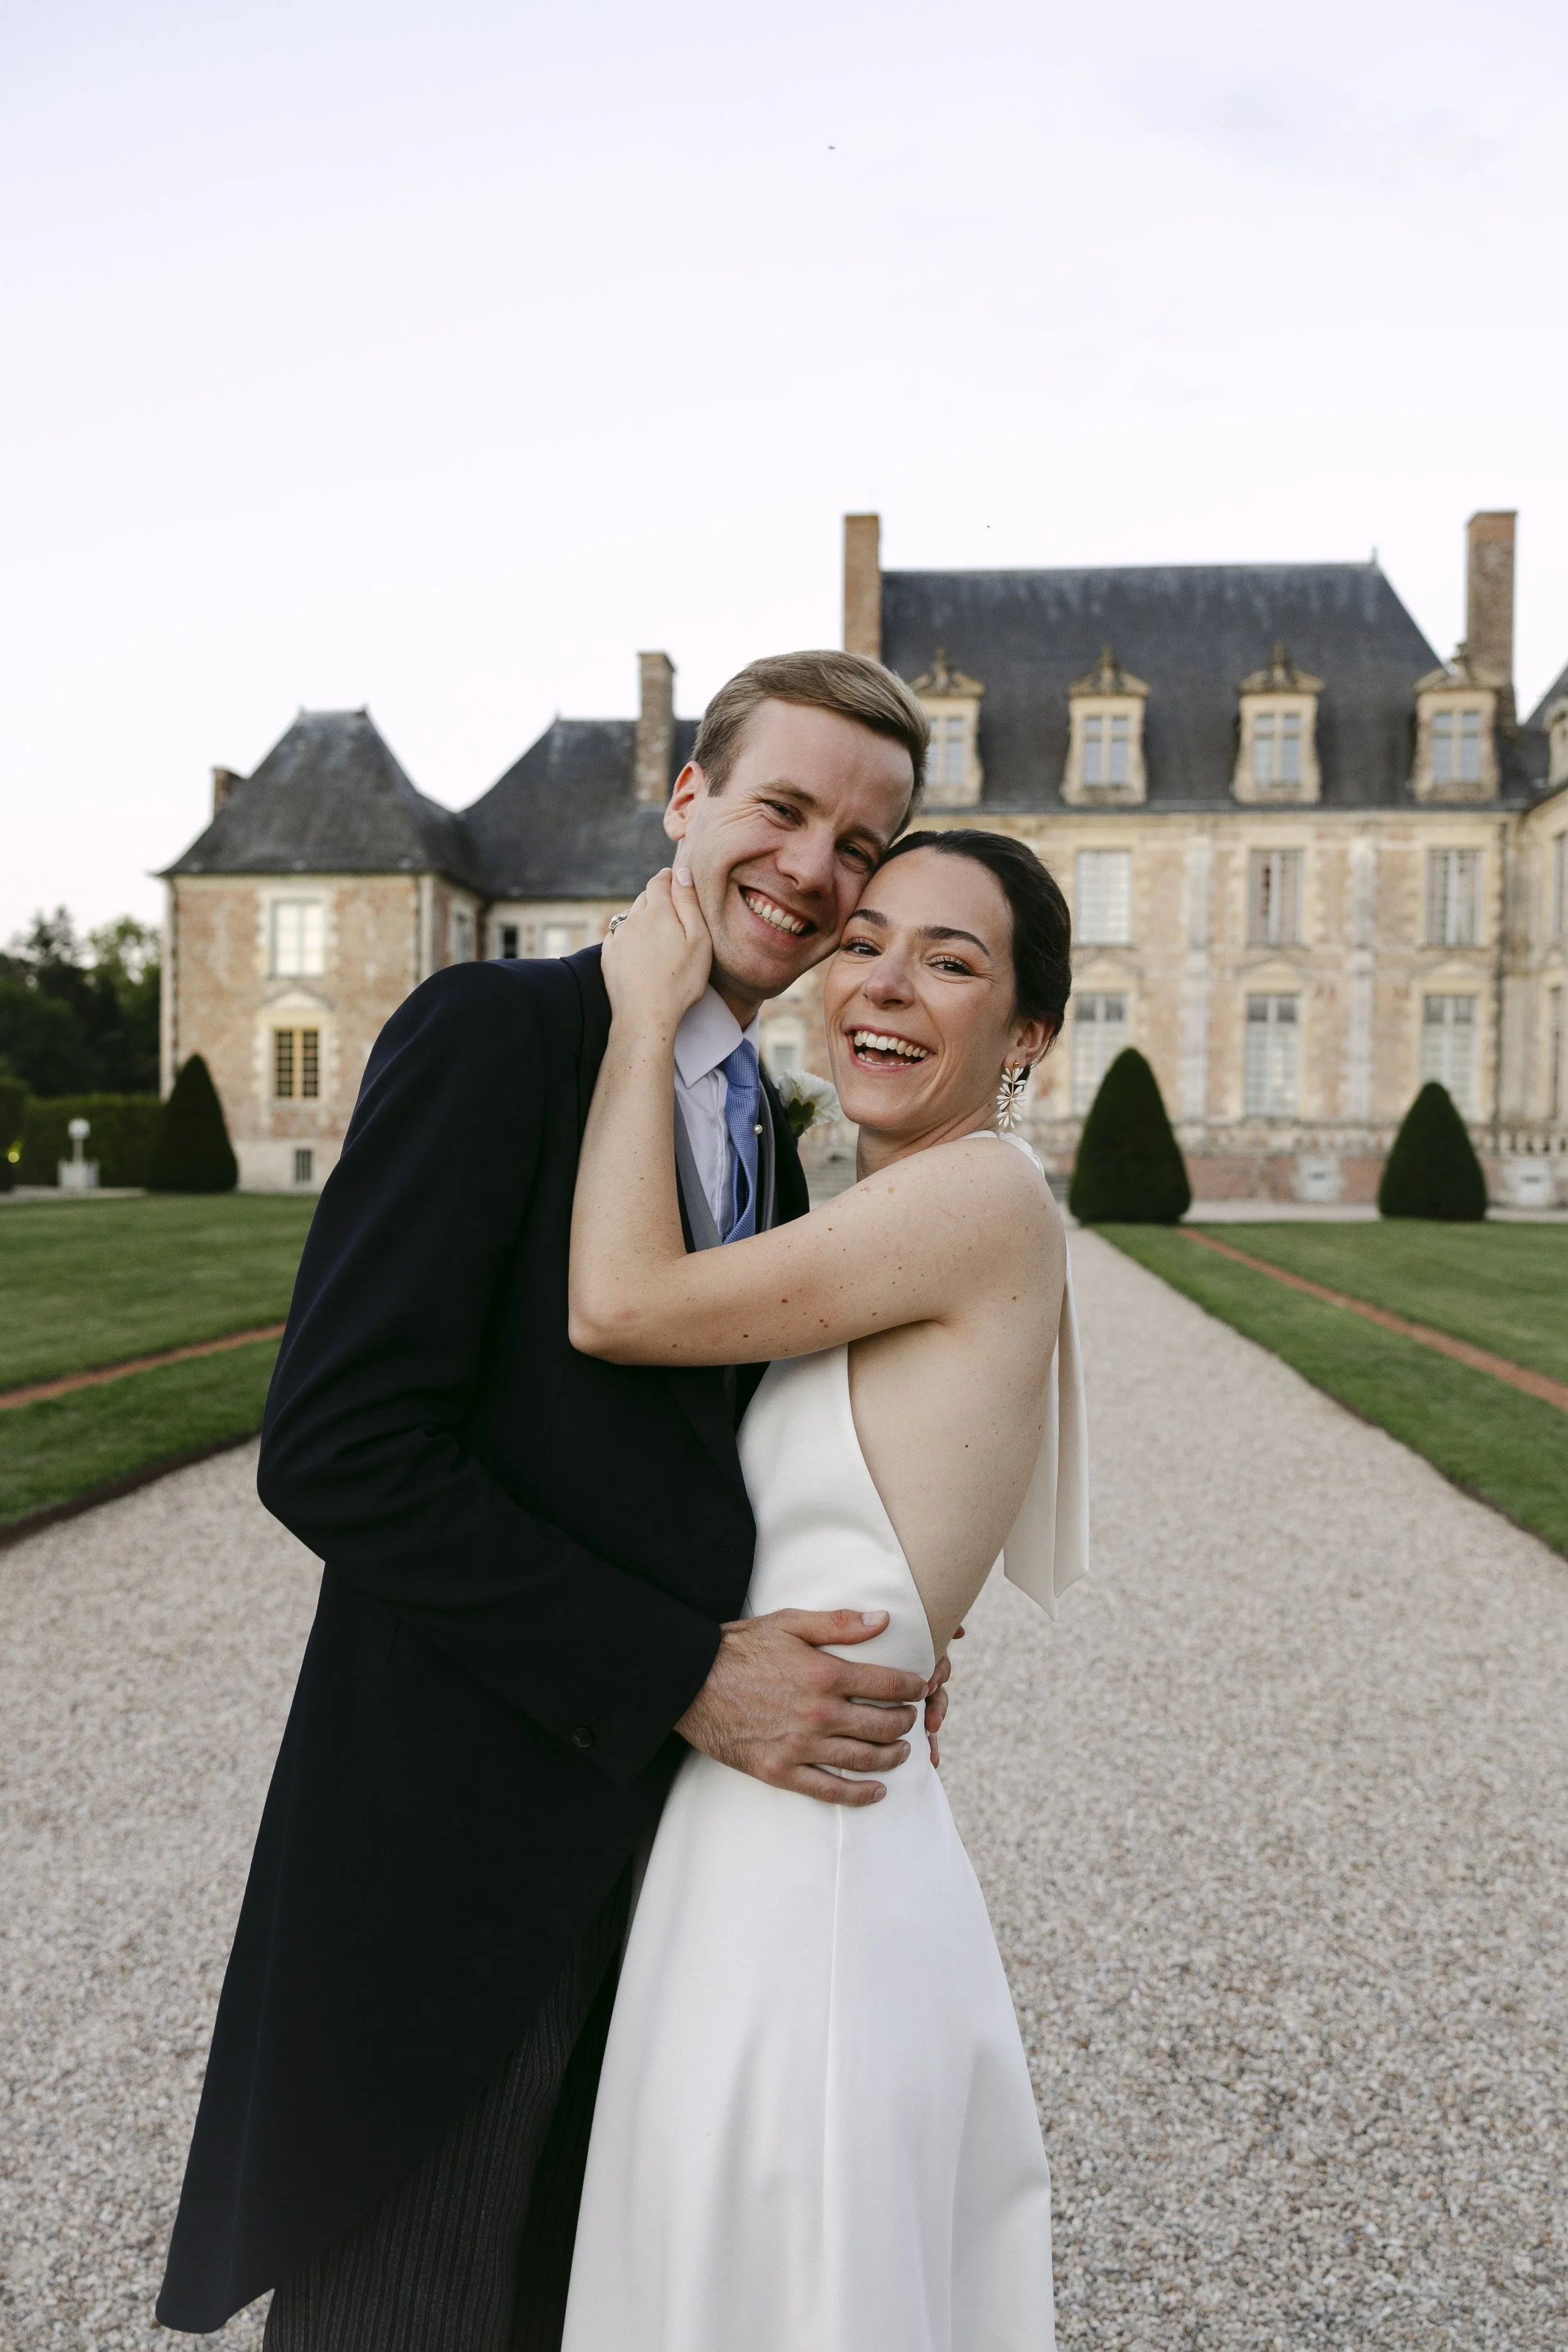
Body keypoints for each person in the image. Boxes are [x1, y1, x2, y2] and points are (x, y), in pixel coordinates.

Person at [154, 651, 955, 2348]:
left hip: (661, 1845)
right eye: (783, 807)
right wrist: (681, 1667)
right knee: (410, 2303)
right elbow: (342, 1445)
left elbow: (707, 1466)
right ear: (685, 800)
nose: (816, 867)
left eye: (865, 844)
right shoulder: (496, 1031)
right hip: (459, 1831)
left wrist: (880, 1609)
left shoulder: (767, 1124)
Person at [559, 827, 1088, 2351]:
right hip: (767, 1804)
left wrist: (644, 1011)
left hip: (812, 1851)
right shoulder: (866, 1209)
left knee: (783, 2275)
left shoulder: (973, 1197)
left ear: (1027, 1034)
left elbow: (618, 1303)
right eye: (864, 939)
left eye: (953, 960)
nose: (887, 983)